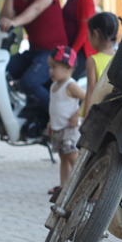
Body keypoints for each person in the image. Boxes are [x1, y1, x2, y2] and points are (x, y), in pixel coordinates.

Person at [0, 0, 67, 132]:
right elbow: (3, 21)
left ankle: (61, 117)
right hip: (34, 51)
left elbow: (35, 9)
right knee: (1, 70)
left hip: (55, 51)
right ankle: (26, 112)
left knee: (30, 82)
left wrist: (14, 22)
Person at [46, 46, 85, 195]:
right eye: (50, 67)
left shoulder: (71, 85)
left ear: (68, 67)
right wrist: (50, 122)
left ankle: (82, 184)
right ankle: (64, 186)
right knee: (63, 157)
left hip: (69, 129)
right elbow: (53, 107)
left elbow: (85, 98)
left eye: (54, 66)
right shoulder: (54, 86)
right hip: (57, 128)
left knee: (72, 156)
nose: (51, 70)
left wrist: (77, 115)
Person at [59, 0, 96, 79]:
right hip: (73, 48)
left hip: (81, 52)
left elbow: (84, 30)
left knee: (63, 80)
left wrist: (72, 53)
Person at [83, 11, 119, 117]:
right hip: (112, 112)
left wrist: (86, 116)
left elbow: (91, 90)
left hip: (96, 112)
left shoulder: (92, 60)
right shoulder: (118, 57)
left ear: (95, 34)